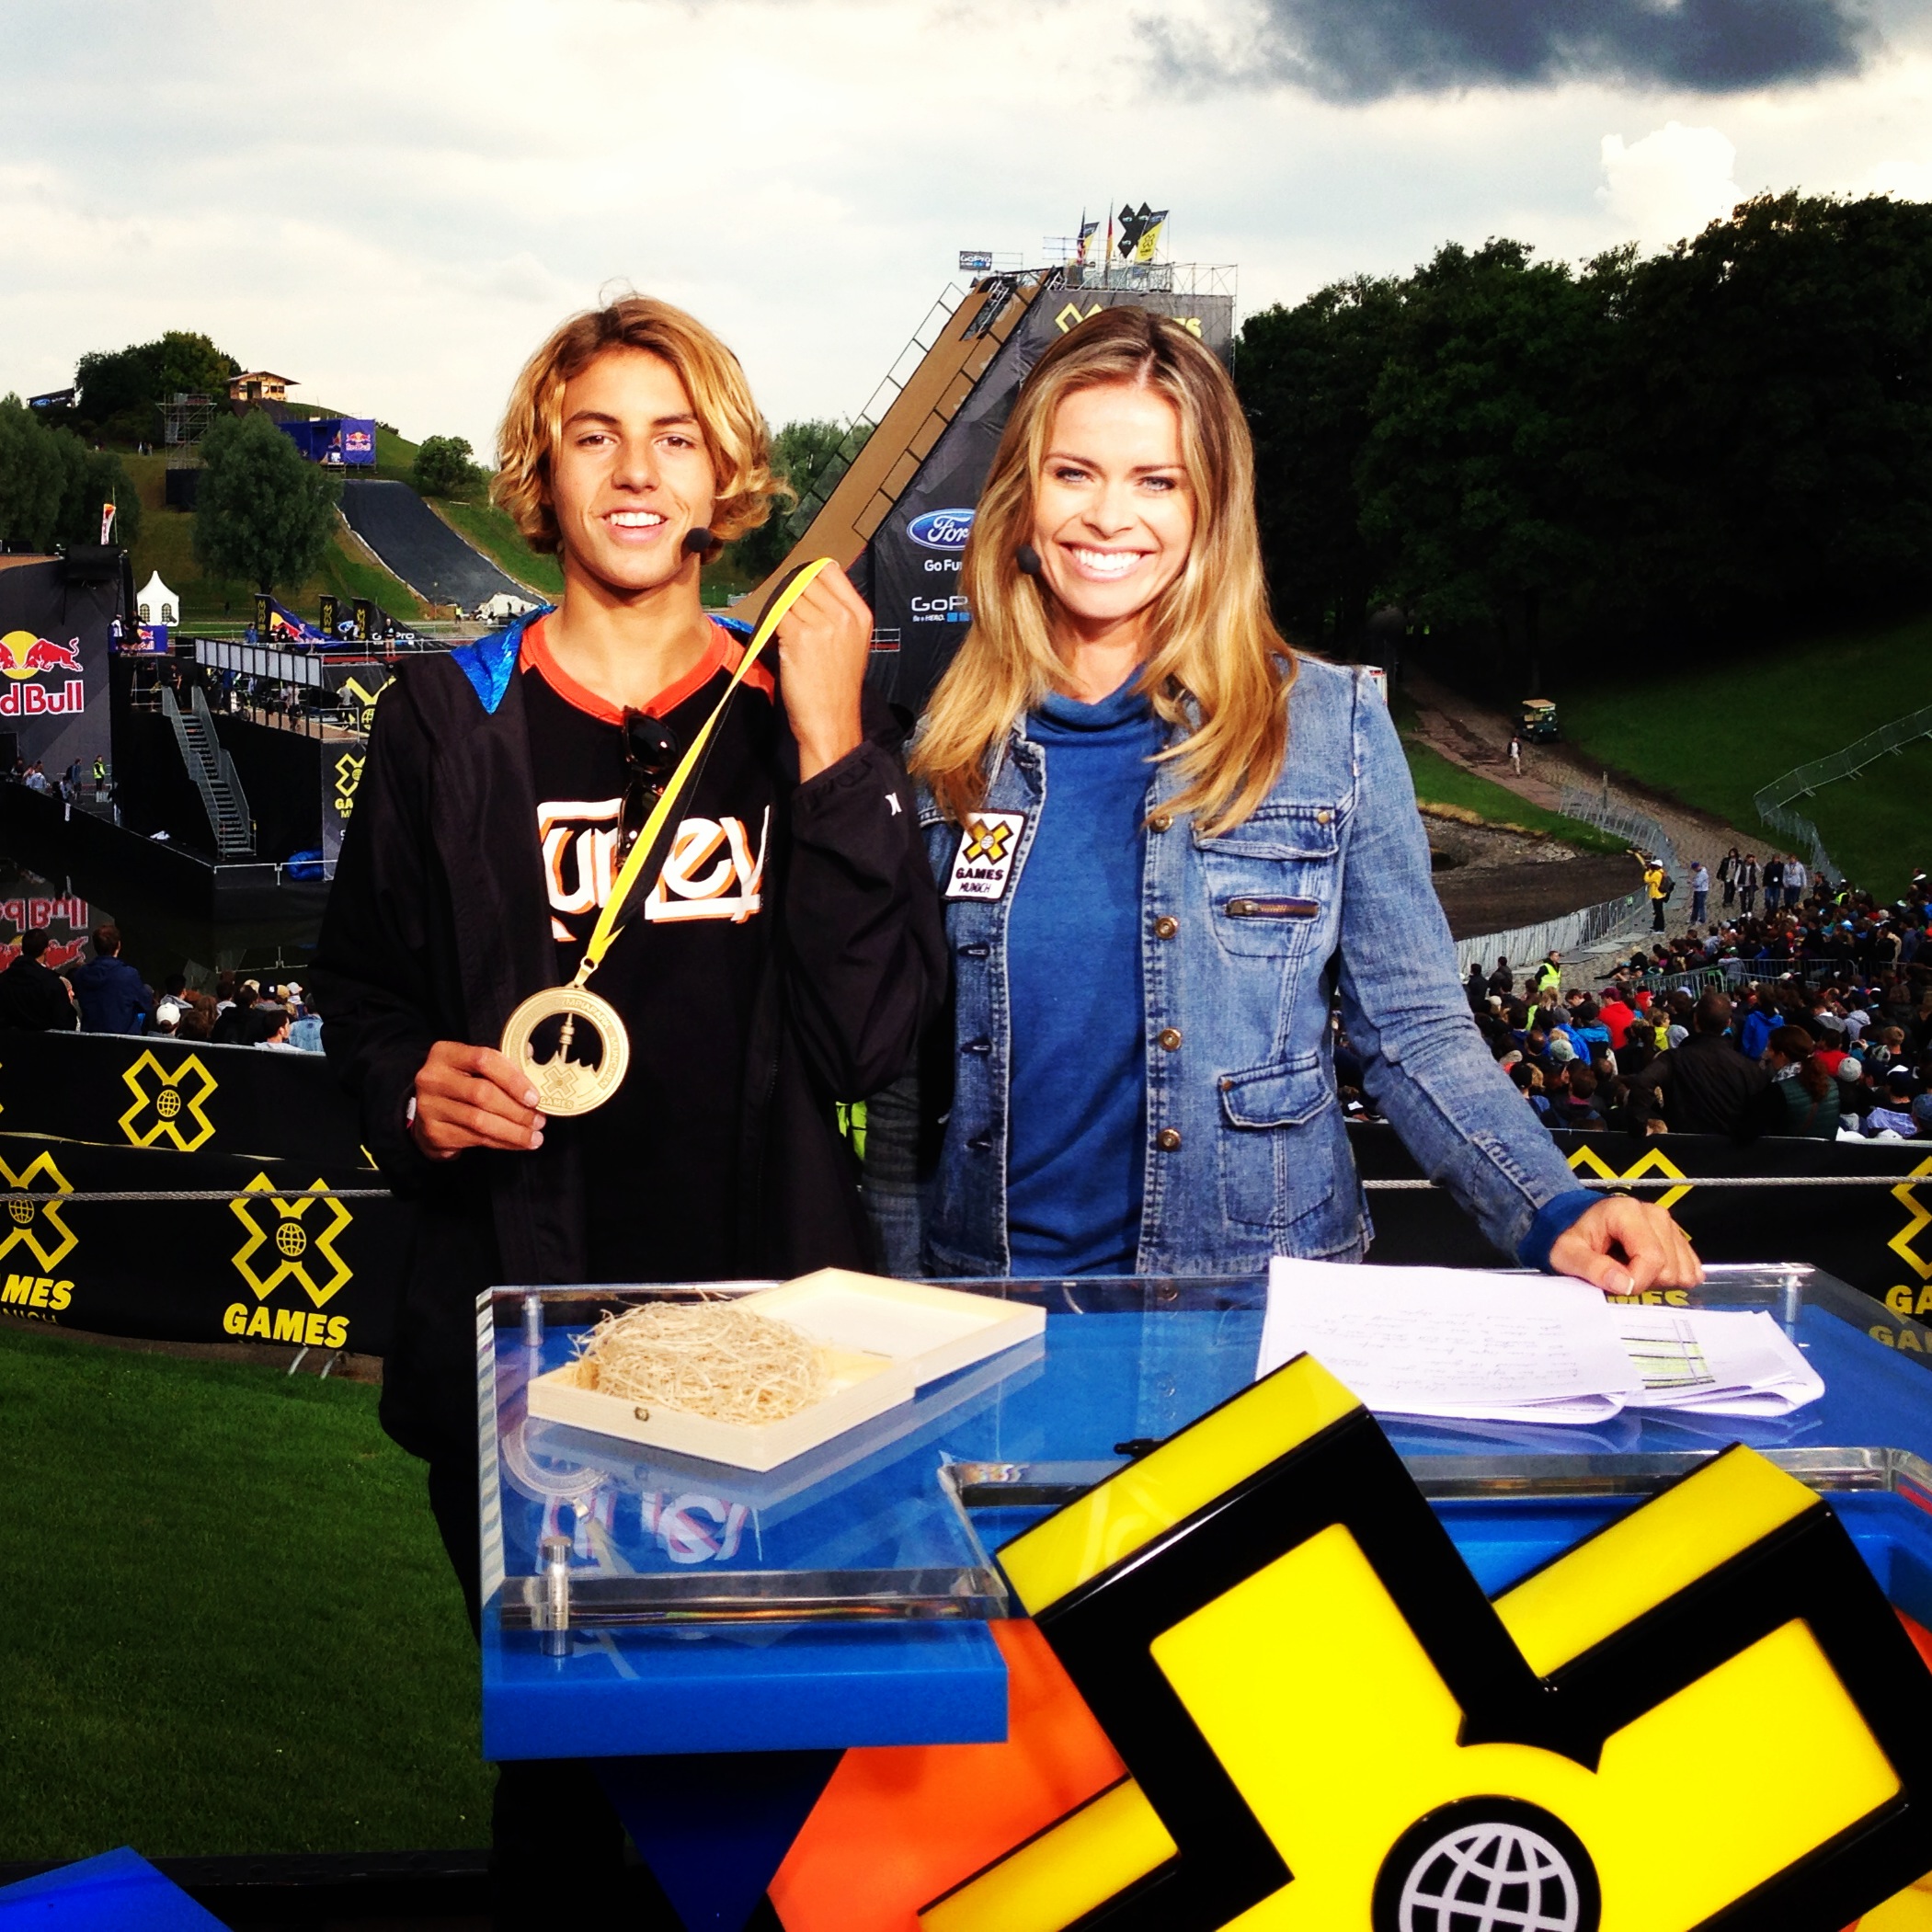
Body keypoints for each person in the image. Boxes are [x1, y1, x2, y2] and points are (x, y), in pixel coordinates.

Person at [310, 295, 943, 1911]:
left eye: (675, 437)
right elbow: (363, 992)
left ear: (729, 474)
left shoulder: (786, 713)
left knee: (770, 1806)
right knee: (570, 1805)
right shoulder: (450, 717)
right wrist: (408, 1086)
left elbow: (869, 1036)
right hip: (524, 1344)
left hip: (771, 1337)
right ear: (545, 469)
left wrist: (829, 742)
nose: (636, 471)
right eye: (597, 434)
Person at [878, 305, 1696, 1296]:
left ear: (1209, 507)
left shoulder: (1329, 727)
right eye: (1073, 473)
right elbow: (899, 1093)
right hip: (996, 1304)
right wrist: (896, 1300)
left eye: (1156, 481)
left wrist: (1550, 1205)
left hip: (1257, 1297)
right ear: (1021, 494)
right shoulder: (946, 755)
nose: (1106, 516)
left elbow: (1411, 1026)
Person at [1629, 992, 1767, 1137]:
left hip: (1684, 1148)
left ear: (1695, 1019)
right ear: (1728, 1023)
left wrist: (1639, 1128)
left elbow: (1642, 1083)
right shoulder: (1747, 1068)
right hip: (1729, 1149)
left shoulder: (1673, 1059)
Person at [1755, 1024, 1841, 1138]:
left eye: (1770, 1048)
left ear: (1782, 1055)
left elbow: (1753, 1129)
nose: (1767, 1053)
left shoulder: (1778, 1090)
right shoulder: (1831, 1083)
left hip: (1789, 1153)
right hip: (1823, 1153)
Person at [65, 925, 148, 1034]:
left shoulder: (81, 974)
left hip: (92, 1040)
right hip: (124, 1043)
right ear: (118, 945)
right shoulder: (129, 974)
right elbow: (145, 1004)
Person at [0, 929, 79, 1031]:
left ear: (23, 949)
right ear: (45, 950)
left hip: (10, 1045)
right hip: (44, 1045)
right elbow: (66, 1023)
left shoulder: (4, 980)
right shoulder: (52, 984)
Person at [1642, 856, 1668, 932]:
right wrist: (1650, 868)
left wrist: (1647, 872)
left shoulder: (1657, 874)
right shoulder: (1660, 871)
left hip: (1657, 895)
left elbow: (1647, 880)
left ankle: (1660, 928)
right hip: (1658, 895)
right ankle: (1656, 926)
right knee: (1657, 912)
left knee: (1659, 913)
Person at [1689, 859, 1709, 926]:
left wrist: (1691, 882)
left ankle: (1702, 920)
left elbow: (1697, 884)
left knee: (1700, 906)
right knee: (1695, 906)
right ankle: (1693, 919)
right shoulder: (1701, 872)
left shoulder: (1702, 874)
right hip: (1698, 891)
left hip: (1701, 891)